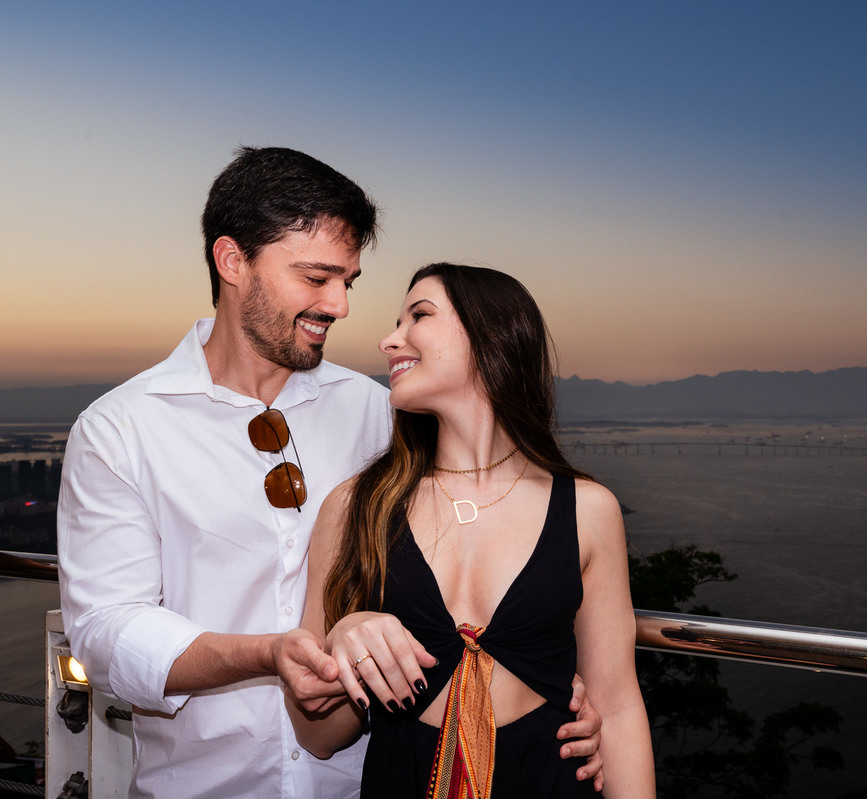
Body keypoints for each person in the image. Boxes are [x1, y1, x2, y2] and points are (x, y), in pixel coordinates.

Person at [56, 147, 601, 798]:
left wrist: (558, 694)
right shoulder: (118, 429)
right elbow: (106, 633)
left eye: (349, 280)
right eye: (317, 278)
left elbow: (491, 546)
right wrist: (268, 651)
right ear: (233, 262)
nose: (340, 304)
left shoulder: (381, 414)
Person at [287, 263, 654, 797]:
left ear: (491, 335)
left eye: (419, 315)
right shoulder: (352, 509)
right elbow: (317, 735)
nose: (390, 340)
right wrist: (347, 645)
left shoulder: (587, 510)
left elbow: (618, 709)